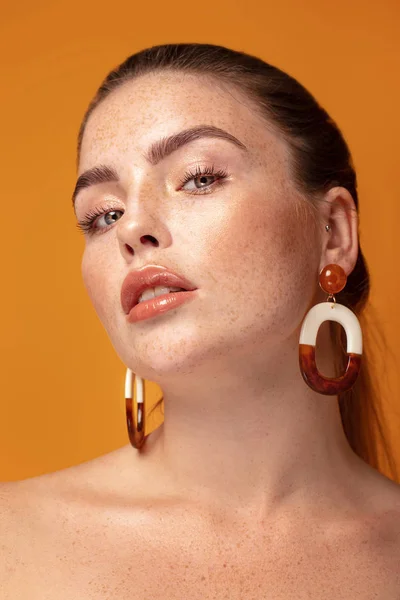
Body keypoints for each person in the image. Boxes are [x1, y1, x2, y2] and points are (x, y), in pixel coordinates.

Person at [2, 42, 400, 598]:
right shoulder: (12, 544)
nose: (131, 226)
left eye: (199, 178)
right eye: (102, 214)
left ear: (332, 232)